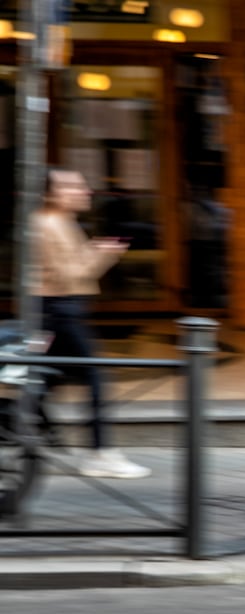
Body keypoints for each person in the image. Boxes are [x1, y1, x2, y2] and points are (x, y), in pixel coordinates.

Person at [30, 168, 150, 479]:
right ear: (49, 194)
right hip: (59, 311)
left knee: (44, 382)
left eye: (82, 185)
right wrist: (103, 255)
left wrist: (95, 252)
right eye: (70, 186)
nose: (82, 191)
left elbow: (72, 268)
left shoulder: (61, 222)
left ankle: (24, 437)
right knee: (95, 377)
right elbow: (70, 277)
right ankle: (100, 453)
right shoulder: (47, 224)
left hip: (60, 309)